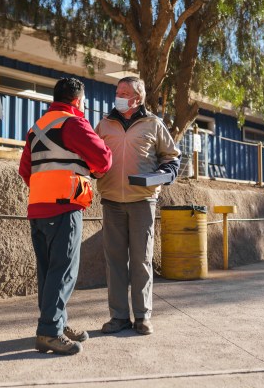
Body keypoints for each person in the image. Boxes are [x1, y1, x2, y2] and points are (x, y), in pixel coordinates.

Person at [18, 77, 112, 355]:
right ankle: (49, 332)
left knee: (49, 271)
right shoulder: (74, 123)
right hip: (64, 207)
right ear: (77, 100)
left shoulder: (37, 128)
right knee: (63, 272)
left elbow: (25, 171)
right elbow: (104, 159)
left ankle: (56, 323)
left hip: (38, 208)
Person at [95, 76, 181, 336]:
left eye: (124, 93)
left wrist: (164, 173)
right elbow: (92, 154)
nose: (118, 96)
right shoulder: (104, 124)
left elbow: (171, 158)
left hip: (143, 201)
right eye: (117, 92)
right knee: (115, 262)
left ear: (138, 97)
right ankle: (118, 317)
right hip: (111, 200)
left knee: (141, 260)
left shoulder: (153, 124)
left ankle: (143, 316)